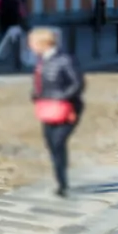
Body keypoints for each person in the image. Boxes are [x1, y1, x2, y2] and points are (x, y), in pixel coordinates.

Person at [29, 27, 83, 197]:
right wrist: (36, 95)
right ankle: (60, 176)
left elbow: (77, 84)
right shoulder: (42, 60)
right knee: (51, 144)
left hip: (67, 109)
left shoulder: (65, 60)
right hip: (47, 109)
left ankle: (62, 184)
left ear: (42, 43)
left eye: (32, 43)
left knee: (58, 143)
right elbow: (40, 83)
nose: (30, 46)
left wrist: (60, 98)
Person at [0, 0, 27, 69]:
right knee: (15, 37)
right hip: (14, 20)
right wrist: (23, 17)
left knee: (3, 34)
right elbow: (21, 9)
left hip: (4, 19)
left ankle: (2, 51)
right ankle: (16, 54)